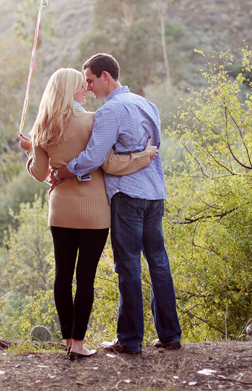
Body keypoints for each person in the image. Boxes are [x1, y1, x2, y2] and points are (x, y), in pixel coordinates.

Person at [18, 68, 157, 359]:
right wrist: (142, 157)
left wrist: (31, 151)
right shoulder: (94, 121)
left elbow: (41, 173)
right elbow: (107, 164)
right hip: (94, 213)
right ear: (71, 90)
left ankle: (68, 340)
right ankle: (79, 345)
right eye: (81, 87)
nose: (86, 91)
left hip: (61, 212)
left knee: (62, 276)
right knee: (86, 279)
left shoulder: (42, 127)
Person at [50, 53, 182, 354]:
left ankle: (130, 340)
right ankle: (170, 335)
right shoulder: (147, 104)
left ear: (105, 76)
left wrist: (63, 171)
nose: (89, 87)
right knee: (159, 261)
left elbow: (95, 158)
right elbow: (154, 149)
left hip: (127, 196)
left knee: (128, 265)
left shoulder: (110, 111)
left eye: (91, 80)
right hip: (155, 193)